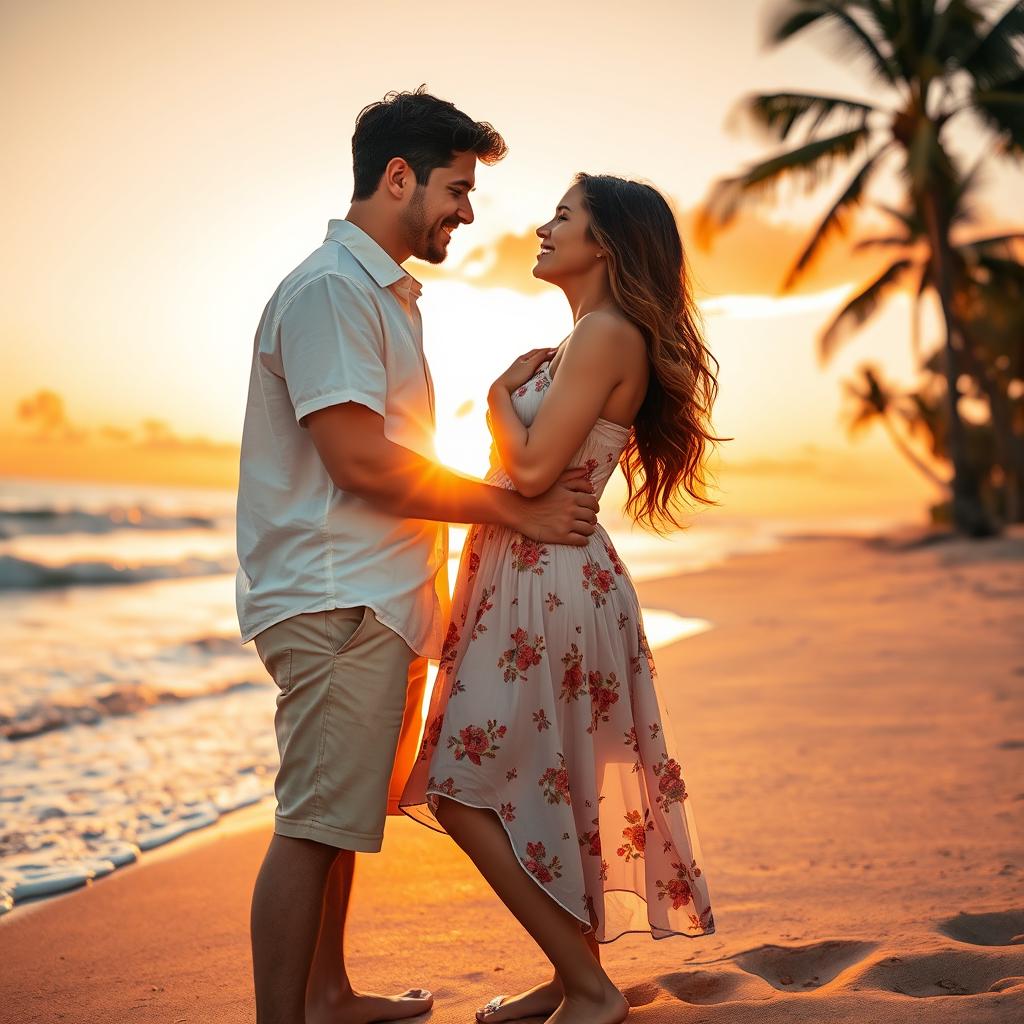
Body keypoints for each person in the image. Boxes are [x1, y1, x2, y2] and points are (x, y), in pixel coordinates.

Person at [235, 88, 601, 1024]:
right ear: (397, 177)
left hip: (375, 598)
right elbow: (359, 462)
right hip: (335, 598)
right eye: (456, 187)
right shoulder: (331, 291)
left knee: (340, 815)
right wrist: (511, 511)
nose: (468, 211)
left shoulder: (383, 295)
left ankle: (325, 993)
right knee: (313, 825)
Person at [401, 173, 723, 1024]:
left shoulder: (605, 334)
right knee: (558, 782)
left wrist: (500, 400)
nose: (542, 229)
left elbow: (537, 470)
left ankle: (588, 988)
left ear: (606, 242)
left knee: (460, 789)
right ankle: (568, 975)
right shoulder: (591, 333)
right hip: (542, 573)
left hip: (549, 580)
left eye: (563, 217)